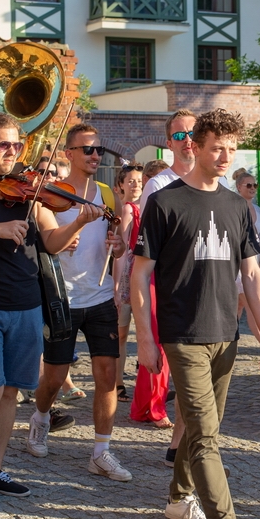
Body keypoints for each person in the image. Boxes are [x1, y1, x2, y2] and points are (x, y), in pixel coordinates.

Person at [0, 112, 103, 506]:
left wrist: (78, 222)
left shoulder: (30, 188)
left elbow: (53, 241)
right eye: (4, 144)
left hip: (25, 304)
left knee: (10, 392)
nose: (13, 152)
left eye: (18, 145)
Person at [132, 108, 260, 519]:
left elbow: (252, 276)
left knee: (198, 428)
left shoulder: (238, 206)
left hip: (225, 333)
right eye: (217, 147)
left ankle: (178, 499)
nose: (224, 157)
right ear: (195, 145)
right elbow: (139, 276)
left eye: (231, 150)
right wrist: (144, 338)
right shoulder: (165, 202)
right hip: (181, 332)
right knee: (207, 433)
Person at [27, 123, 129, 482]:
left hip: (100, 296)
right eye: (87, 149)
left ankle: (101, 451)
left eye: (97, 149)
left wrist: (119, 248)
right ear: (68, 154)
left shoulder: (106, 193)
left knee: (107, 375)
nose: (95, 155)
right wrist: (76, 227)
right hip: (63, 298)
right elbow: (52, 244)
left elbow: (119, 244)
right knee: (54, 378)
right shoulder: (50, 193)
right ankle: (40, 418)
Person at [132, 111, 198, 459]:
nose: (188, 141)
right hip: (168, 286)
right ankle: (180, 446)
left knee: (198, 375)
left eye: (193, 134)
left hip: (204, 292)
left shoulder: (218, 183)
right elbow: (147, 250)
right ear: (169, 142)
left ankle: (182, 447)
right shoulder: (158, 186)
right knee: (179, 364)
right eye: (179, 136)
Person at [112, 163, 144, 403]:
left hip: (141, 272)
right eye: (130, 181)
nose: (135, 185)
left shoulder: (145, 207)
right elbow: (121, 249)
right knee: (122, 333)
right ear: (121, 185)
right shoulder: (127, 210)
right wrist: (117, 285)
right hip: (129, 274)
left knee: (141, 332)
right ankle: (118, 382)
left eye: (139, 181)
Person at [233, 169, 260, 335]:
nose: (252, 188)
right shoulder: (233, 207)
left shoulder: (257, 210)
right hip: (237, 266)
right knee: (252, 305)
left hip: (254, 265)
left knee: (238, 307)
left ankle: (227, 343)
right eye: (248, 185)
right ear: (238, 187)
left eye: (255, 185)